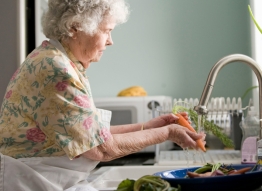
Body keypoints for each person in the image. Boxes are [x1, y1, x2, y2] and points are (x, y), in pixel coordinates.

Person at [0, 0, 206, 190]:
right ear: (75, 27)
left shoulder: (55, 61)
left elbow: (90, 135)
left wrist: (148, 127)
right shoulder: (57, 70)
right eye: (107, 31)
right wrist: (167, 133)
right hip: (33, 181)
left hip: (45, 178)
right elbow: (101, 148)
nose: (110, 41)